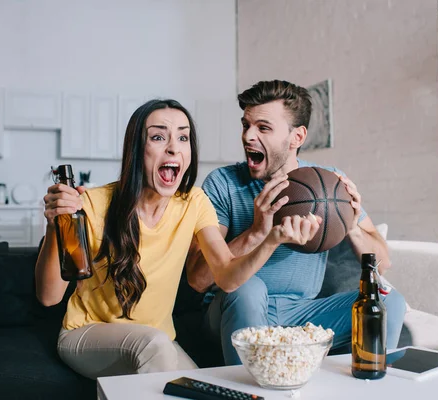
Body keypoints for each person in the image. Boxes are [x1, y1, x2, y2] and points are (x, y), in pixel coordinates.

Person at [35, 99, 321, 379]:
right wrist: (54, 226)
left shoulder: (193, 202)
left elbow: (227, 278)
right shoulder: (93, 204)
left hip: (156, 342)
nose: (173, 147)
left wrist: (272, 238)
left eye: (183, 137)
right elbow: (49, 297)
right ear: (137, 149)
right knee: (153, 345)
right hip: (85, 336)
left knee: (207, 389)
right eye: (158, 137)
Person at [185, 80, 407, 366]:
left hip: (303, 313)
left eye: (263, 128)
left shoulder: (330, 185)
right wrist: (257, 232)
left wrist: (349, 224)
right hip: (233, 306)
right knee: (249, 289)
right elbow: (198, 279)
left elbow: (382, 262)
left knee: (389, 302)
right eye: (246, 125)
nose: (248, 136)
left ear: (297, 137)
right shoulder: (223, 183)